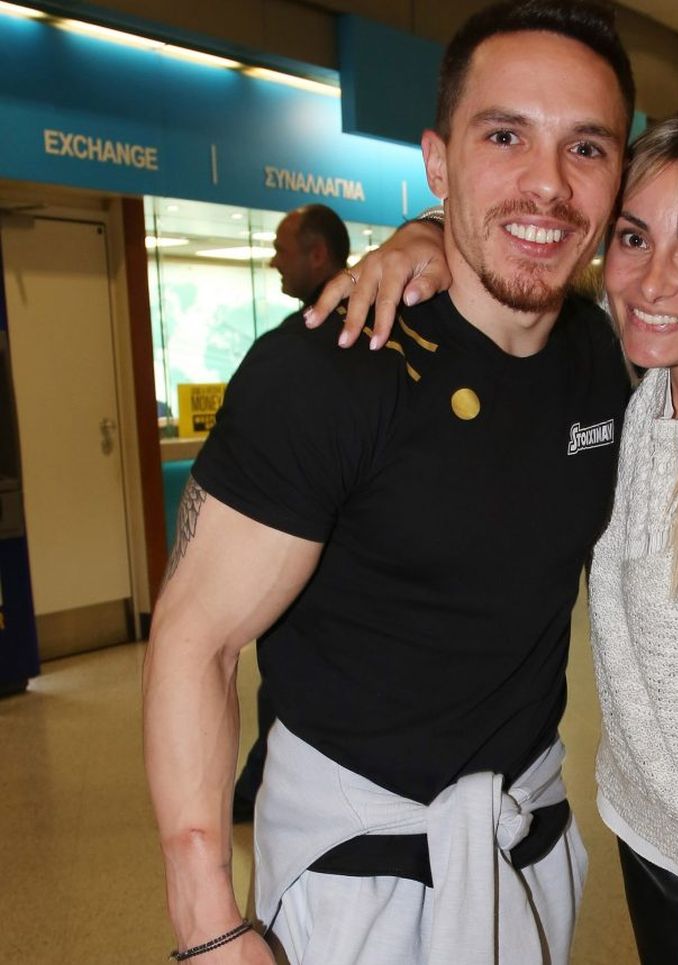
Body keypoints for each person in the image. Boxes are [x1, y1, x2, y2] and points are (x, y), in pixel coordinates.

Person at [327, 106, 678, 965]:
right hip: (663, 842)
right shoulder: (651, 396)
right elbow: (520, 255)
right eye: (635, 238)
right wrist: (424, 235)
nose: (651, 282)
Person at [142, 2, 634, 963]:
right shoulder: (329, 370)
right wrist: (207, 922)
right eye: (505, 136)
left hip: (524, 844)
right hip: (351, 868)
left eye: (586, 148)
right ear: (438, 163)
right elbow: (196, 637)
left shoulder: (604, 361)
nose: (548, 183)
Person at [231, 203, 352, 824]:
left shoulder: (320, 345)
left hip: (319, 573)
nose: (274, 261)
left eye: (283, 248)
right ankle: (260, 781)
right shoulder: (299, 340)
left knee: (286, 683)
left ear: (317, 254)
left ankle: (261, 785)